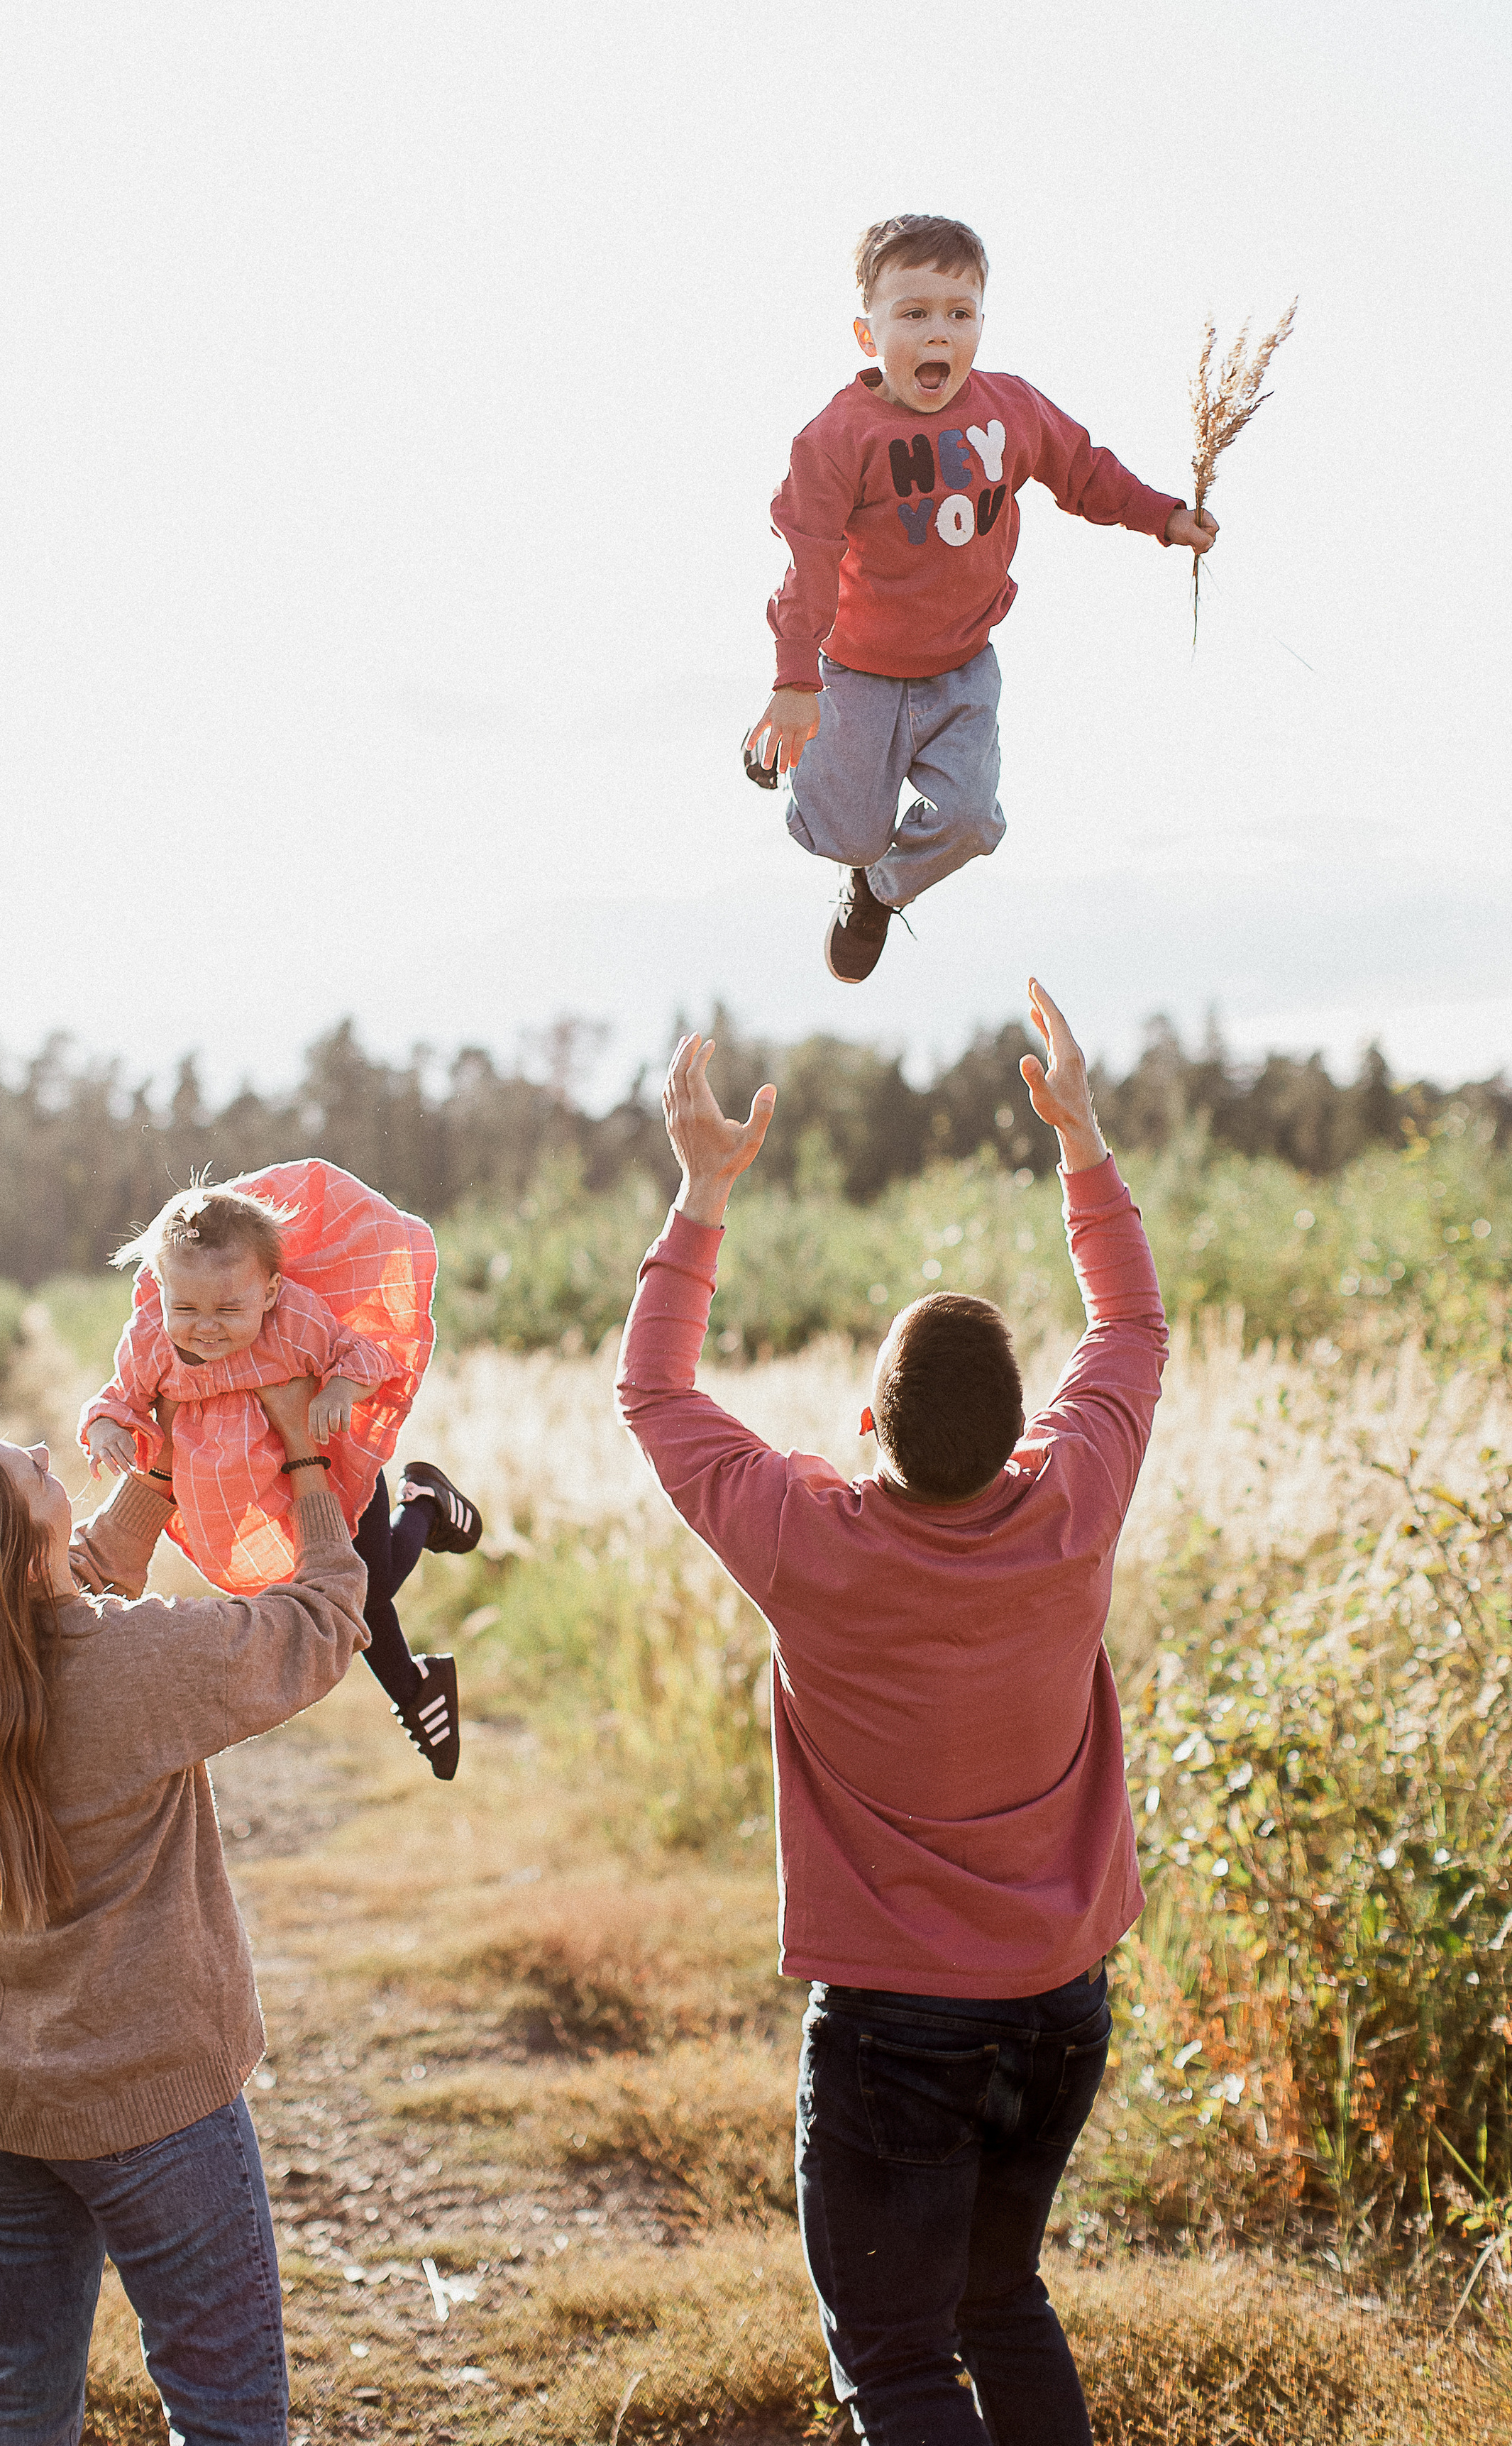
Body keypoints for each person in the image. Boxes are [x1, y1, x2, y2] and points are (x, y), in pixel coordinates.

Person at [615, 979, 1168, 2445]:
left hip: (893, 2029)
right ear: (1019, 1431)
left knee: (898, 2362)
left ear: (866, 1424)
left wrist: (701, 1192)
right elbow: (1130, 1321)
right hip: (1058, 2005)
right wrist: (1081, 1139)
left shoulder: (808, 1536)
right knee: (1000, 2304)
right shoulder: (1071, 1507)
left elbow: (652, 1390)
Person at [0, 1379, 363, 2445]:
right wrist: (304, 1460)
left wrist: (156, 1469)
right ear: (12, 1559)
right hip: (147, 2101)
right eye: (34, 1470)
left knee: (19, 2386)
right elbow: (325, 1621)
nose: (47, 1447)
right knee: (229, 2409)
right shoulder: (129, 1663)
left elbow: (74, 1582)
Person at [744, 214, 1219, 982]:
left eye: (958, 314)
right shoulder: (837, 438)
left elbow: (1085, 472)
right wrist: (797, 680)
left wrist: (1162, 516)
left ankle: (877, 893)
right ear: (867, 335)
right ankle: (786, 740)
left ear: (980, 325)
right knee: (848, 834)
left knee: (970, 821)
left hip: (961, 667)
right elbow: (807, 557)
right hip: (856, 670)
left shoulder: (1011, 410)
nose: (938, 333)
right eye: (914, 313)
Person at [74, 1164, 482, 1779]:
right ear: (157, 1286)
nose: (205, 1327)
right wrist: (105, 1429)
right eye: (185, 1306)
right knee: (345, 1595)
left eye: (228, 1309)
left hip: (327, 1464)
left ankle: (421, 1513)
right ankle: (418, 1669)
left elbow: (360, 1355)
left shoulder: (294, 1321)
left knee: (364, 1591)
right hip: (255, 1489)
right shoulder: (152, 1337)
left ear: (268, 1291)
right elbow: (118, 1396)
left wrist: (340, 1388)